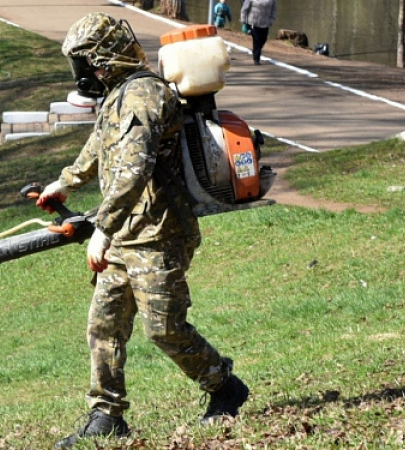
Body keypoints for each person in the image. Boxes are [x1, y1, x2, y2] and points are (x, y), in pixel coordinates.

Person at [37, 12, 250, 449]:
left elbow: (133, 173)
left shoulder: (143, 95)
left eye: (84, 63)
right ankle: (105, 415)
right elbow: (101, 144)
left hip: (159, 235)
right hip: (127, 232)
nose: (81, 74)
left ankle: (224, 386)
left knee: (163, 328)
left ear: (105, 58)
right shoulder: (118, 96)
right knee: (105, 324)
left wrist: (103, 230)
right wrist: (66, 180)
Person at [240, 0, 277, 65]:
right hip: (254, 22)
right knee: (257, 40)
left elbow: (274, 9)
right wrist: (243, 21)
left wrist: (271, 20)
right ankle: (256, 59)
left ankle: (256, 50)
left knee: (263, 40)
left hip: (265, 23)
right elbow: (244, 9)